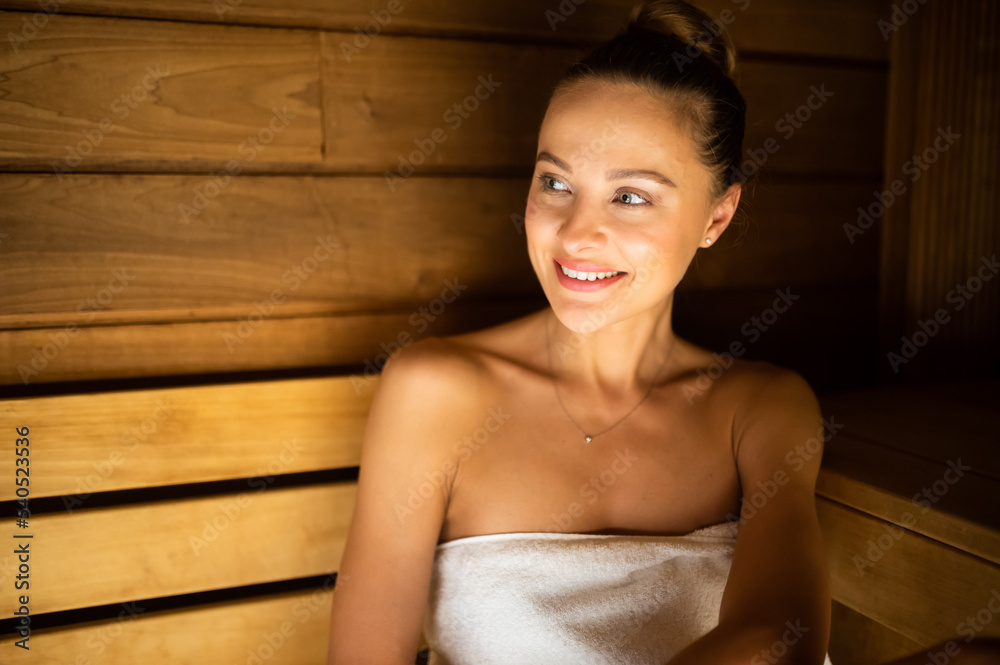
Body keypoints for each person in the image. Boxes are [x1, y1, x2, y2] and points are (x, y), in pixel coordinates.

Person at [327, 2, 998, 663]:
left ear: (716, 216)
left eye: (631, 196)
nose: (576, 234)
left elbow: (777, 637)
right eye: (555, 181)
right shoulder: (435, 392)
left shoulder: (758, 407)